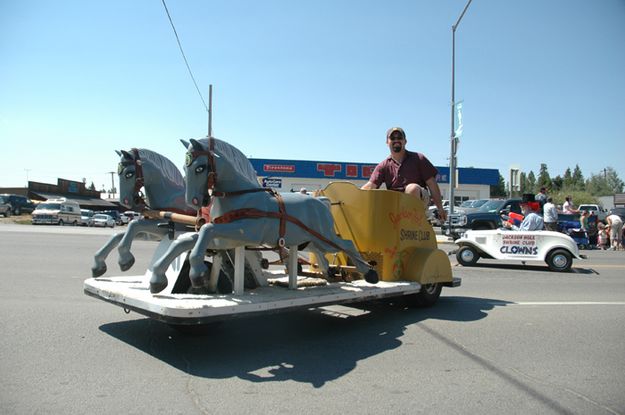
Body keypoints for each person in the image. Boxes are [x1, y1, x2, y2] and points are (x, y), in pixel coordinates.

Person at [362, 127, 447, 222]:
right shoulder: (383, 166)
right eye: (392, 138)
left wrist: (440, 208)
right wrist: (353, 194)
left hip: (419, 198)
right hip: (396, 204)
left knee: (412, 188)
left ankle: (414, 223)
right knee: (380, 197)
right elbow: (370, 186)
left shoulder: (418, 158)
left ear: (405, 141)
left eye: (399, 137)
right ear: (387, 142)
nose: (396, 140)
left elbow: (432, 184)